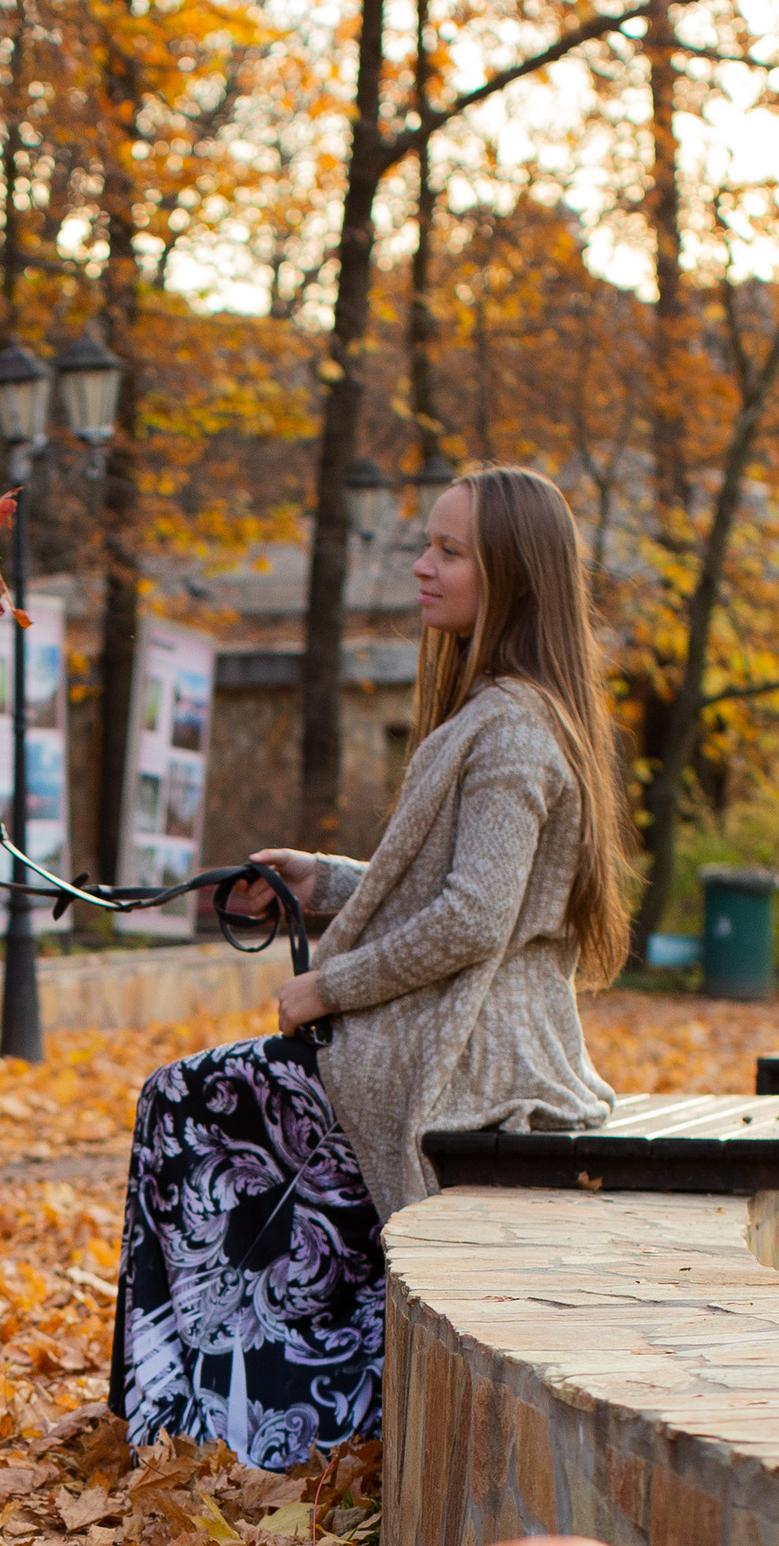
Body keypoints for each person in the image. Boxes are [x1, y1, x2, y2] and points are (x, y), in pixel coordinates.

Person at [109, 460, 630, 1471]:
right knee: (197, 1107)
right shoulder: (501, 711)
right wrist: (324, 880)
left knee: (184, 1107)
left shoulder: (512, 728)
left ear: (511, 575)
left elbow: (475, 919)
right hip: (456, 1032)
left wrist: (325, 989)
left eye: (448, 552)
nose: (422, 569)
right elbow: (458, 892)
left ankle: (233, 1418)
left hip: (469, 1058)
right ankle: (220, 1410)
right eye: (424, 546)